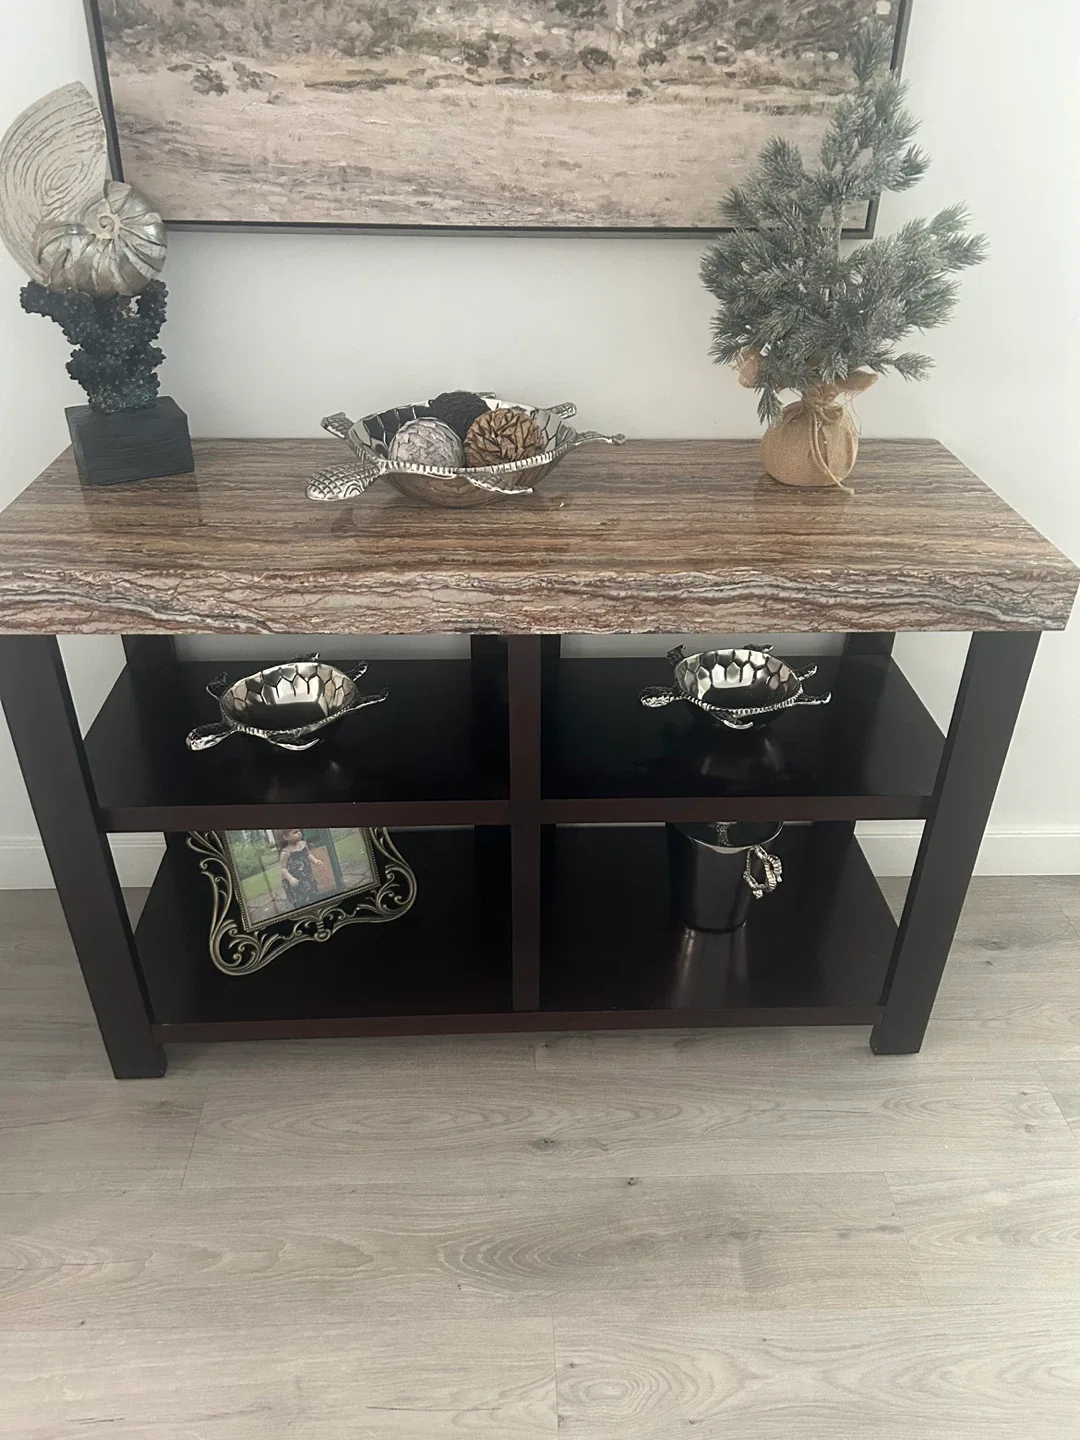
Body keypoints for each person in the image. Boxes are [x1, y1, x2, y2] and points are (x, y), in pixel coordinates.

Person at [275, 828, 324, 910]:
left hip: (307, 876)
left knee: (312, 893)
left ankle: (314, 907)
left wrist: (315, 860)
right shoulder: (286, 852)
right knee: (301, 900)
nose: (299, 833)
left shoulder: (303, 844)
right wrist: (290, 878)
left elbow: (308, 854)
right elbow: (283, 868)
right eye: (295, 832)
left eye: (299, 831)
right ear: (286, 837)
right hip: (296, 880)